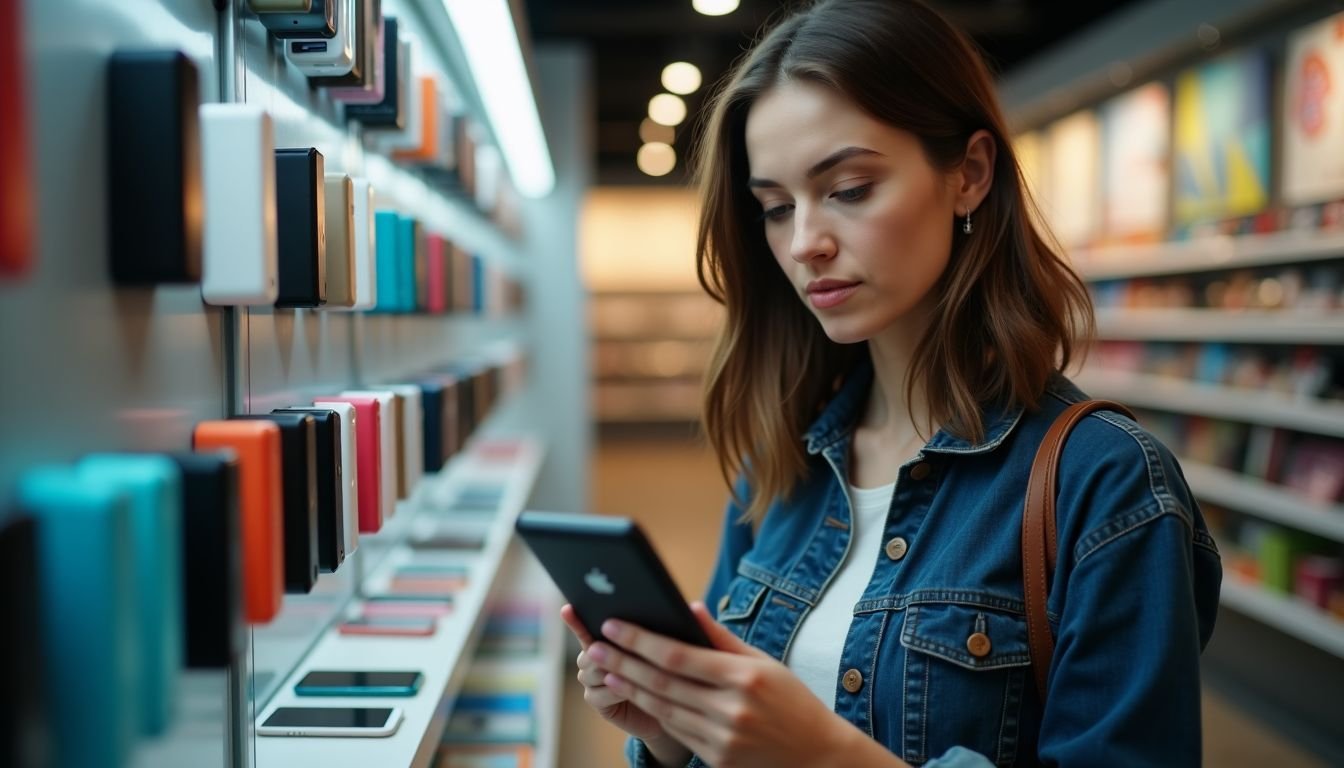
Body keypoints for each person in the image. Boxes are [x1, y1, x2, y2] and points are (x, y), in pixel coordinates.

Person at [562, 0, 1222, 765]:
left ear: (969, 174)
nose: (805, 242)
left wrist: (820, 755)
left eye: (848, 188)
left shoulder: (1106, 485)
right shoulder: (781, 465)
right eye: (775, 208)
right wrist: (675, 733)